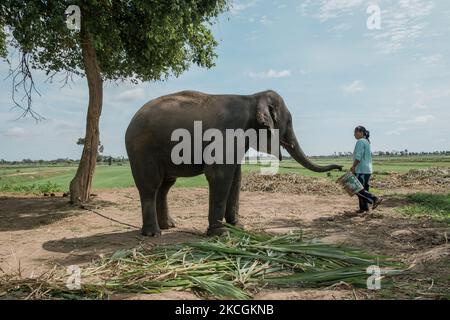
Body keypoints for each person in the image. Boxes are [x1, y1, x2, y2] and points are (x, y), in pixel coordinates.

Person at [351, 126, 383, 213]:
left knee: (358, 189)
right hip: (366, 170)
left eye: (355, 132)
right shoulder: (366, 142)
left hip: (361, 170)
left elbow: (358, 156)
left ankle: (375, 198)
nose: (354, 134)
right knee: (363, 189)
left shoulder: (360, 142)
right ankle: (363, 209)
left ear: (361, 133)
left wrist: (353, 167)